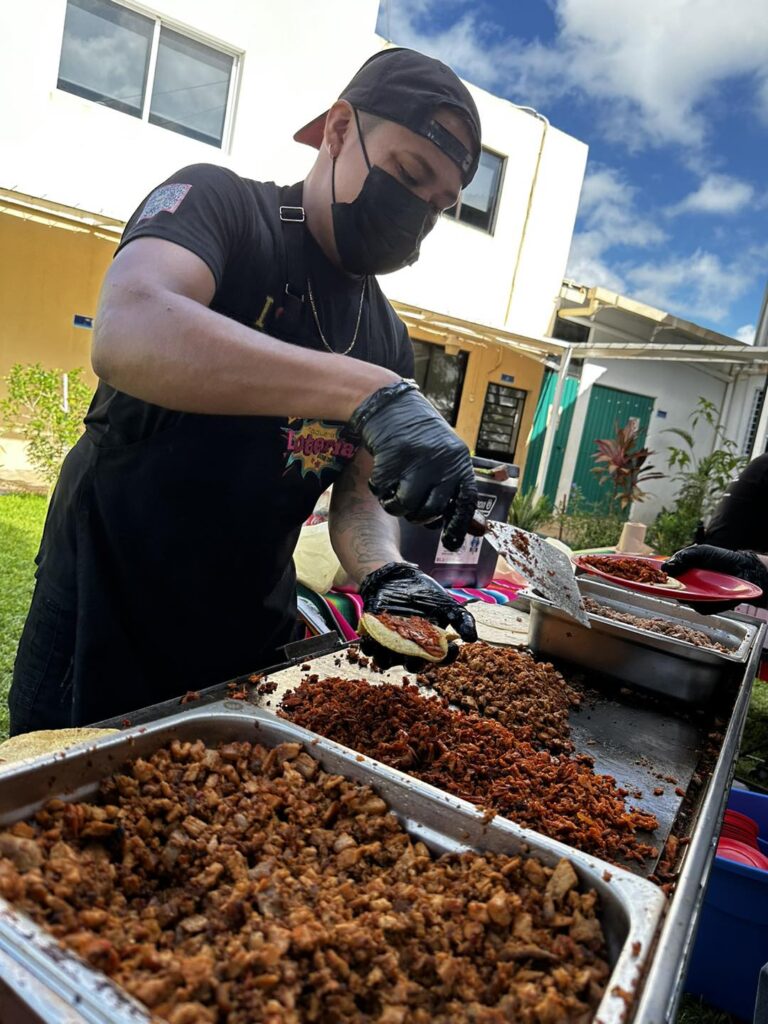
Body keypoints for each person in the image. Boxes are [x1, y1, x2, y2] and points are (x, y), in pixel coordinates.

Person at [9, 48, 481, 734]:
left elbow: (358, 499)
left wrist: (385, 571)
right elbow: (129, 325)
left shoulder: (385, 337)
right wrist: (370, 392)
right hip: (104, 614)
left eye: (438, 204)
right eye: (410, 174)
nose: (417, 213)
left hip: (245, 640)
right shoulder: (222, 206)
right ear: (340, 130)